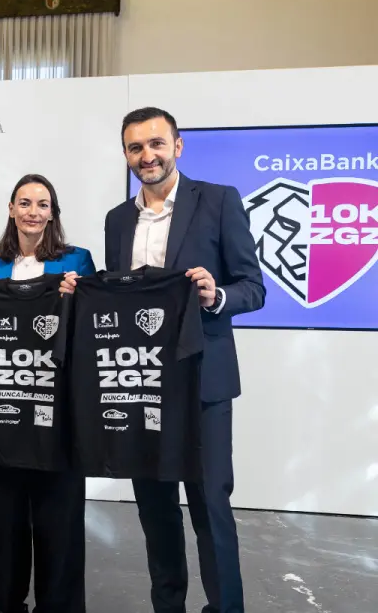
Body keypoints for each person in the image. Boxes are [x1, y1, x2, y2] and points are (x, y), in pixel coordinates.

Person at [60, 107, 264, 613]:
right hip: (140, 385)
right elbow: (120, 297)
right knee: (155, 510)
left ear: (178, 145)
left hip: (203, 383)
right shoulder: (117, 219)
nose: (146, 156)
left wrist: (216, 295)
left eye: (155, 144)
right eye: (135, 147)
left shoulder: (219, 200)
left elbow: (253, 287)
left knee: (210, 505)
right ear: (126, 155)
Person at [0, 174, 94, 613]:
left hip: (59, 405)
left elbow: (92, 324)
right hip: (6, 400)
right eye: (24, 203)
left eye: (42, 204)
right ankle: (9, 595)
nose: (33, 212)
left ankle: (59, 603)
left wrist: (80, 294)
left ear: (52, 212)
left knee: (60, 512)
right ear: (11, 209)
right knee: (8, 511)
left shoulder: (77, 260)